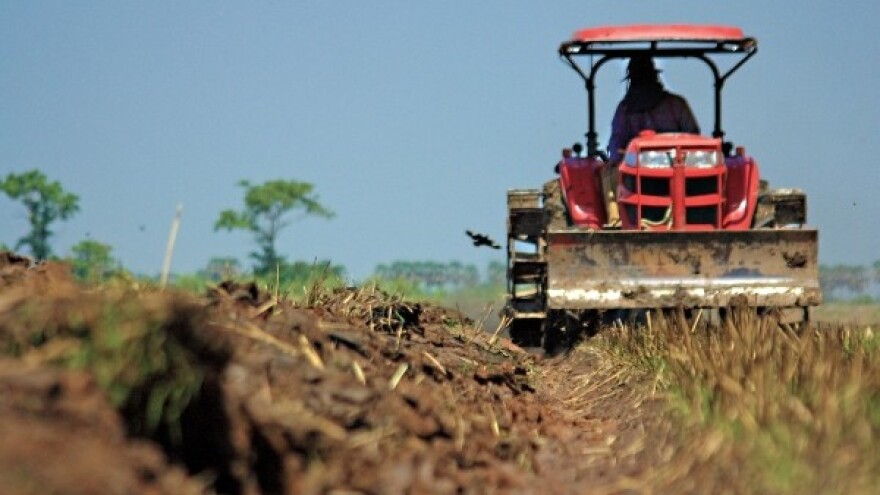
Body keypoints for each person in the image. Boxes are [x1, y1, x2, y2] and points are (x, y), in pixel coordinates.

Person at [606, 55, 700, 163]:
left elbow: (694, 141)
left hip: (676, 166)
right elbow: (616, 149)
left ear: (653, 78)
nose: (643, 85)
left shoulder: (676, 105)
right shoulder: (625, 110)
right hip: (634, 169)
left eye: (645, 78)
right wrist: (634, 159)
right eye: (639, 80)